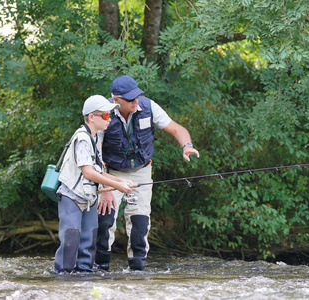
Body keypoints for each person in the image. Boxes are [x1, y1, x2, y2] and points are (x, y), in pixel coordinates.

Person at [96, 75, 200, 271]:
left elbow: (177, 129)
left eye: (137, 96)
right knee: (105, 220)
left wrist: (186, 146)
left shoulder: (148, 106)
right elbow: (95, 153)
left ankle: (137, 273)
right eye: (130, 99)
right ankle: (100, 270)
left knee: (139, 223)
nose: (136, 102)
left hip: (141, 172)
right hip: (110, 173)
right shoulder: (104, 113)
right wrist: (104, 187)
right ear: (116, 100)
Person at [54, 95, 133, 274]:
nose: (110, 119)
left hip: (89, 198)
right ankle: (62, 279)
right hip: (71, 197)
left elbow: (98, 171)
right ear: (92, 117)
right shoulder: (82, 138)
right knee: (71, 241)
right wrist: (117, 186)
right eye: (105, 116)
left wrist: (120, 180)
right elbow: (88, 172)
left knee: (89, 241)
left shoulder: (95, 138)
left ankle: (85, 277)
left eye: (110, 115)